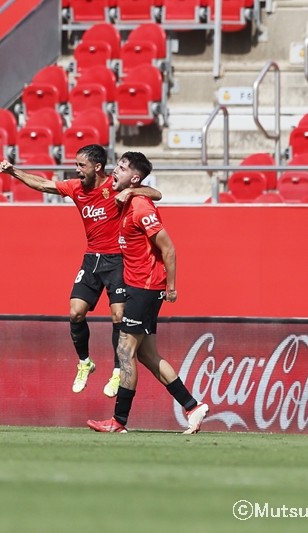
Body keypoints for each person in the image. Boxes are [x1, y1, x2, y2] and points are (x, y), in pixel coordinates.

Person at [0, 145, 162, 398]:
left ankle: (119, 371)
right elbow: (44, 185)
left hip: (118, 260)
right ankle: (85, 362)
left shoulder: (115, 185)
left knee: (119, 315)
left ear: (97, 167)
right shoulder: (76, 188)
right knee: (75, 313)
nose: (77, 170)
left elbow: (156, 193)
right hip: (91, 260)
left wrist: (130, 190)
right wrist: (13, 172)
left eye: (81, 165)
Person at [86, 152, 209, 433]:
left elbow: (169, 248)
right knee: (147, 355)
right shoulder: (127, 195)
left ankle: (118, 421)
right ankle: (193, 406)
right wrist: (128, 188)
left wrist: (172, 287)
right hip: (137, 285)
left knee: (125, 349)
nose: (115, 170)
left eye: (122, 167)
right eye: (116, 165)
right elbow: (156, 191)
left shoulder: (141, 208)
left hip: (145, 286)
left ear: (135, 178)